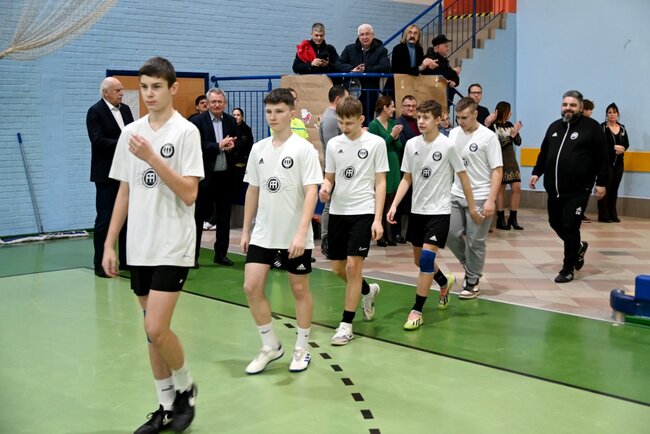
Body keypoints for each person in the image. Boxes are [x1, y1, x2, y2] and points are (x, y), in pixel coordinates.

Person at [102, 56, 202, 434]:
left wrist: (152, 157)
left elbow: (189, 193)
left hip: (173, 242)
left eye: (156, 87)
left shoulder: (186, 132)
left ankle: (186, 387)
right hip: (139, 244)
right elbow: (125, 191)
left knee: (157, 328)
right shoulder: (131, 133)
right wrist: (110, 243)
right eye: (143, 87)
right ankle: (165, 406)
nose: (149, 94)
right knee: (151, 332)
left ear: (173, 88)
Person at [240, 88, 323, 374]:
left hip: (294, 234)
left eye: (278, 111)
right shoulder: (258, 149)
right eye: (269, 112)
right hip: (263, 233)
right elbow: (253, 190)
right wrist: (246, 229)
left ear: (291, 113)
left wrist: (301, 232)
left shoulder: (304, 149)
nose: (273, 117)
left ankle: (301, 347)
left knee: (299, 289)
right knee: (251, 286)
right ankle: (270, 346)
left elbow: (312, 192)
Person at [387, 100, 482, 330]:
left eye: (426, 117)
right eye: (419, 117)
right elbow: (407, 178)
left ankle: (416, 310)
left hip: (439, 211)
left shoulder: (448, 146)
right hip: (417, 211)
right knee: (418, 260)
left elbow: (463, 177)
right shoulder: (411, 145)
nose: (421, 121)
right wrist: (394, 205)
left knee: (427, 260)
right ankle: (444, 281)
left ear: (438, 120)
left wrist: (471, 207)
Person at [319, 96, 388, 346]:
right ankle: (368, 291)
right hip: (338, 211)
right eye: (341, 123)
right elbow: (330, 177)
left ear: (361, 119)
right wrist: (325, 188)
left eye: (349, 123)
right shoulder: (334, 144)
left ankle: (346, 325)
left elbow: (380, 182)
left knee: (352, 267)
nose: (344, 127)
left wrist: (377, 219)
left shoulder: (376, 143)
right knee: (338, 269)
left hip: (363, 210)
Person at [530, 90, 608, 283]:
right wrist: (537, 172)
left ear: (580, 107)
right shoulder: (554, 127)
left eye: (572, 105)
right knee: (555, 223)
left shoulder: (592, 127)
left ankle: (567, 268)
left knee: (570, 226)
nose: (568, 108)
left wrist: (601, 182)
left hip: (578, 190)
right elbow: (544, 152)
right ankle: (578, 247)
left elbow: (602, 157)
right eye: (565, 104)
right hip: (554, 189)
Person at [447, 97, 503, 299]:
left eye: (464, 118)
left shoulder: (488, 137)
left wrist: (491, 200)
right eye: (458, 117)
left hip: (480, 196)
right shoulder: (453, 133)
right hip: (456, 193)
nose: (460, 121)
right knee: (450, 234)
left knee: (475, 241)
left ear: (475, 114)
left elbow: (497, 170)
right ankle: (470, 266)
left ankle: (472, 281)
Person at [86, 76, 134, 277]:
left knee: (127, 218)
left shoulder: (126, 110)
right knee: (105, 219)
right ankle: (100, 265)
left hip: (126, 173)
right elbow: (98, 141)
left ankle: (126, 260)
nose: (122, 93)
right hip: (105, 175)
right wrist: (124, 144)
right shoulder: (95, 112)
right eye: (117, 90)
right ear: (106, 92)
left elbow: (132, 133)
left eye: (122, 90)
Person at [190, 88, 240, 267]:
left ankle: (221, 254)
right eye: (213, 102)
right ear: (207, 103)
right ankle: (192, 256)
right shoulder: (197, 121)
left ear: (225, 103)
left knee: (224, 217)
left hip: (225, 176)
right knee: (198, 217)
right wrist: (218, 146)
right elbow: (195, 146)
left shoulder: (231, 121)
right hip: (205, 177)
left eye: (220, 101)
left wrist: (233, 146)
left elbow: (238, 141)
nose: (217, 105)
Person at [336, 24, 390, 124]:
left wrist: (366, 69)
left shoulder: (381, 50)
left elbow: (385, 67)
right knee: (350, 119)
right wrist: (352, 69)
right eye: (362, 34)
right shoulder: (349, 49)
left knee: (367, 121)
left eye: (367, 34)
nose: (365, 37)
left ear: (373, 35)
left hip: (370, 93)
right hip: (351, 93)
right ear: (358, 36)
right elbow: (338, 65)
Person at [368, 95, 403, 246]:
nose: (394, 109)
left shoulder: (393, 123)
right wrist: (391, 136)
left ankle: (389, 234)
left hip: (394, 163)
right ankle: (380, 234)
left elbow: (399, 147)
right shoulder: (373, 125)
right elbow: (377, 147)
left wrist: (396, 137)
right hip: (382, 164)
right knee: (382, 200)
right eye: (392, 106)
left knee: (391, 201)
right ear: (385, 107)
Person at [318, 85, 349, 258]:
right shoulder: (330, 119)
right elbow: (334, 148)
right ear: (338, 99)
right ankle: (326, 239)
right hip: (333, 170)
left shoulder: (333, 116)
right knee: (330, 205)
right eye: (346, 98)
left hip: (340, 170)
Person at [491, 101, 524, 231]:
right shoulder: (493, 126)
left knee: (517, 187)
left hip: (511, 159)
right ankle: (500, 218)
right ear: (503, 111)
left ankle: (513, 218)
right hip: (500, 158)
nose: (510, 113)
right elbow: (497, 144)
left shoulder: (509, 125)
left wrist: (516, 133)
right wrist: (511, 136)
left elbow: (518, 142)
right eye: (508, 111)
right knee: (501, 188)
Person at [598, 102, 629, 223]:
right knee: (606, 187)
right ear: (606, 115)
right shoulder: (602, 128)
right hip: (606, 164)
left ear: (618, 114)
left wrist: (622, 148)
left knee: (614, 188)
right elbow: (600, 145)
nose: (612, 114)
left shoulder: (622, 128)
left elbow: (626, 143)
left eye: (614, 112)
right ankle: (603, 215)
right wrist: (613, 148)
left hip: (619, 163)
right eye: (609, 112)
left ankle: (613, 214)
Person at [422, 34, 461, 105]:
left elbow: (456, 78)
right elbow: (438, 76)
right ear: (437, 47)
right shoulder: (429, 60)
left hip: (444, 100)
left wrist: (454, 81)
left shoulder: (444, 60)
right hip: (432, 99)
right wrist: (453, 72)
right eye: (446, 46)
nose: (448, 49)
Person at [232, 107, 254, 205]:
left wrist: (232, 143)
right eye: (234, 115)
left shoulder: (246, 129)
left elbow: (244, 144)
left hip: (242, 161)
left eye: (238, 115)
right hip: (231, 163)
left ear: (242, 117)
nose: (236, 117)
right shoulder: (229, 127)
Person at [581, 99, 595, 222]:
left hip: (589, 165)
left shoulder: (592, 125)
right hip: (579, 164)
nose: (590, 112)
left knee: (586, 191)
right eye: (589, 109)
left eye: (591, 110)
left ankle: (581, 212)